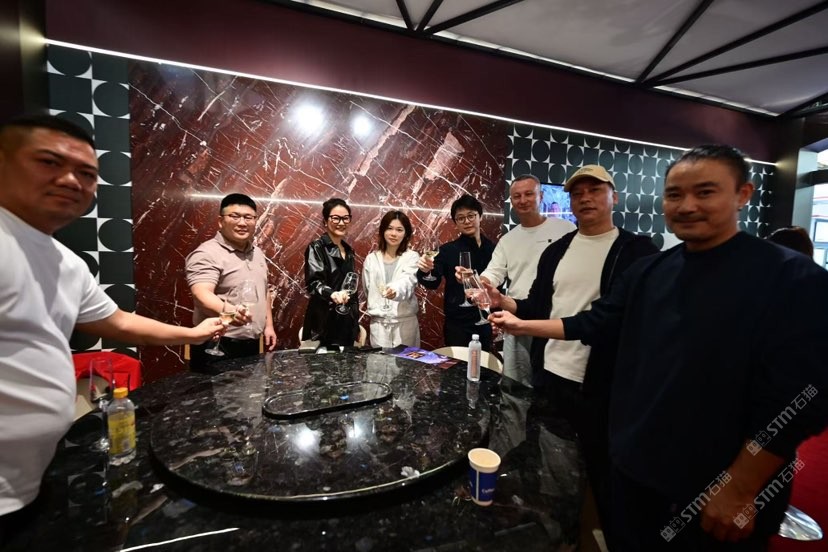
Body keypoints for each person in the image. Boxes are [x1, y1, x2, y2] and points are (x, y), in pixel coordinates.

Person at [490, 145, 828, 550]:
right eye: (674, 195)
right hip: (639, 472)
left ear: (742, 194)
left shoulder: (790, 278)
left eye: (705, 192)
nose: (687, 205)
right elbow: (593, 322)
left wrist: (741, 484)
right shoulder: (651, 271)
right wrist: (518, 321)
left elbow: (802, 397)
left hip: (718, 489)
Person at [0, 114, 223, 537]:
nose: (70, 180)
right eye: (49, 162)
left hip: (32, 480)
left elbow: (118, 321)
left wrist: (194, 334)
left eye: (86, 173)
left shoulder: (67, 263)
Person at [485, 165, 658, 539]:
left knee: (602, 473)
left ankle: (599, 535)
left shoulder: (636, 251)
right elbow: (536, 304)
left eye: (595, 190)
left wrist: (523, 326)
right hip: (551, 376)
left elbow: (605, 321)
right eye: (577, 193)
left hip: (602, 385)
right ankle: (558, 533)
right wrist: (504, 302)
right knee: (551, 466)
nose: (585, 199)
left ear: (614, 196)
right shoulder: (557, 250)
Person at [478, 174, 575, 385]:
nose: (523, 200)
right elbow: (493, 273)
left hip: (555, 319)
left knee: (552, 383)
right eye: (517, 196)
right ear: (511, 201)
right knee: (516, 383)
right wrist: (477, 283)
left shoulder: (566, 229)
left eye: (529, 194)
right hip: (518, 317)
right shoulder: (508, 240)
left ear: (541, 196)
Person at [185, 193, 276, 372]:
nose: (242, 223)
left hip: (250, 344)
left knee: (249, 390)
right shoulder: (207, 253)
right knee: (215, 391)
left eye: (248, 217)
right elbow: (201, 294)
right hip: (216, 344)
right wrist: (231, 312)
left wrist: (269, 326)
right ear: (221, 221)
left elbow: (263, 291)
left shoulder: (257, 253)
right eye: (235, 216)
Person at [417, 194, 495, 351]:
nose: (466, 221)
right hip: (458, 325)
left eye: (471, 216)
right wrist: (425, 270)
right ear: (455, 223)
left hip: (487, 321)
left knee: (485, 364)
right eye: (460, 218)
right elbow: (433, 282)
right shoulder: (448, 250)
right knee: (457, 364)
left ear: (480, 217)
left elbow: (500, 281)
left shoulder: (494, 249)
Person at [302, 197, 359, 347]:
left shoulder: (349, 251)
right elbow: (314, 283)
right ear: (325, 221)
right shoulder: (317, 247)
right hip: (323, 322)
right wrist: (332, 294)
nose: (341, 223)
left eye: (345, 218)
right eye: (335, 218)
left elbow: (351, 288)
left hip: (346, 321)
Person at [362, 211, 420, 347]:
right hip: (379, 325)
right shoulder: (371, 259)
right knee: (379, 360)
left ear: (406, 234)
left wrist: (395, 291)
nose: (394, 234)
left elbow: (408, 281)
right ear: (383, 231)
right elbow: (367, 289)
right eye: (390, 228)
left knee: (406, 360)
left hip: (405, 324)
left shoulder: (411, 257)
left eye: (399, 230)